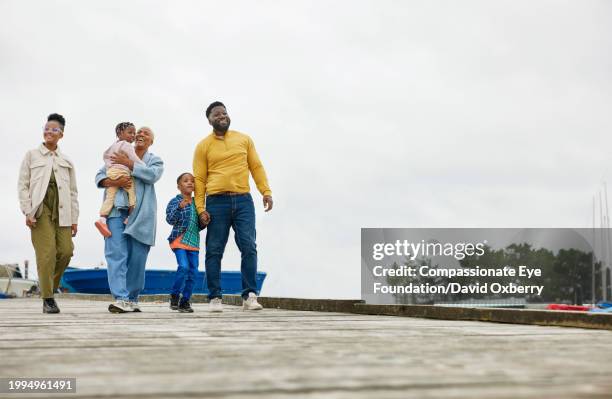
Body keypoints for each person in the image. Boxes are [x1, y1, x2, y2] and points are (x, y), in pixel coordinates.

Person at [193, 101, 273, 312]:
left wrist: (265, 191)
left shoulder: (244, 139)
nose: (222, 116)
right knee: (214, 249)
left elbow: (256, 166)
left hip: (243, 200)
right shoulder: (203, 146)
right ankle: (215, 298)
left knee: (248, 245)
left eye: (225, 113)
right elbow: (199, 180)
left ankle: (249, 296)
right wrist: (200, 209)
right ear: (209, 120)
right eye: (217, 114)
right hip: (216, 202)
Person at [95, 126, 164, 313]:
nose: (141, 134)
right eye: (139, 132)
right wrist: (113, 182)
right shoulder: (119, 152)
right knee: (116, 254)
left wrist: (131, 164)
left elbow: (152, 176)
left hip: (141, 215)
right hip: (116, 212)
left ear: (151, 141)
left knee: (137, 259)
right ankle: (121, 298)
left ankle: (132, 298)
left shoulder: (155, 161)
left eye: (146, 133)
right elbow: (100, 176)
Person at [18, 113, 79, 314]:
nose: (49, 132)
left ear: (61, 134)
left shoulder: (67, 161)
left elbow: (72, 192)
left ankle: (49, 286)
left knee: (66, 251)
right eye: (46, 128)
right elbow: (23, 185)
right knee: (46, 254)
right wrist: (27, 210)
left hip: (63, 212)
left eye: (54, 129)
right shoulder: (31, 155)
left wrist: (74, 219)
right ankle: (48, 298)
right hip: (40, 210)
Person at [165, 173, 205, 313]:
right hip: (179, 239)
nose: (190, 183)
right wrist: (179, 207)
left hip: (193, 241)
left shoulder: (198, 203)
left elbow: (198, 224)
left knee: (193, 272)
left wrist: (205, 220)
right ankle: (175, 296)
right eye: (185, 181)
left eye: (192, 181)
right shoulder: (175, 201)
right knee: (183, 266)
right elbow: (170, 219)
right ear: (178, 186)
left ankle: (185, 301)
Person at [95, 122, 143, 237]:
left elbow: (105, 157)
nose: (133, 135)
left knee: (110, 197)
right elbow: (134, 159)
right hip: (122, 173)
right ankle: (130, 218)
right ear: (120, 133)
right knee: (132, 194)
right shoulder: (126, 145)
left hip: (111, 172)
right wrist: (143, 165)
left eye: (134, 133)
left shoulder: (112, 146)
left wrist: (111, 167)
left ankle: (102, 219)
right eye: (130, 132)